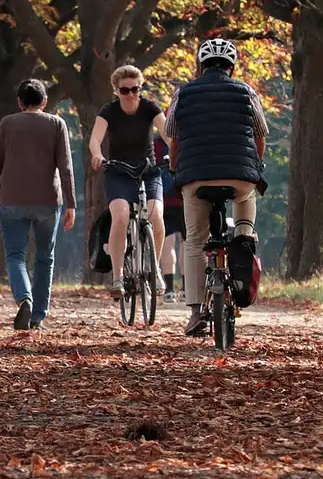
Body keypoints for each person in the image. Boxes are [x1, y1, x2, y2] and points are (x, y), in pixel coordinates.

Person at [162, 38, 269, 337]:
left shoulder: (182, 93)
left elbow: (173, 137)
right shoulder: (247, 92)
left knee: (195, 240)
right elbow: (260, 135)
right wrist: (255, 166)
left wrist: (175, 170)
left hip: (195, 177)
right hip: (239, 176)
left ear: (200, 65)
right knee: (246, 207)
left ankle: (195, 312)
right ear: (232, 67)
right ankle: (243, 239)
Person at [0, 78, 77, 330]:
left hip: (12, 200)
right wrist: (71, 204)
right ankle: (37, 316)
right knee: (45, 258)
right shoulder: (57, 124)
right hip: (47, 200)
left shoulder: (7, 123)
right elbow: (66, 167)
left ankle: (23, 297)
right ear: (45, 102)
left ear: (19, 102)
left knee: (15, 256)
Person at [89, 65, 167, 301]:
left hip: (148, 171)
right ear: (116, 90)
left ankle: (155, 270)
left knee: (156, 216)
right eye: (125, 90)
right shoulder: (109, 111)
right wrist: (97, 154)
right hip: (118, 172)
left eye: (136, 89)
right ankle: (118, 276)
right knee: (121, 216)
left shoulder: (150, 108)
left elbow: (167, 133)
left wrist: (176, 152)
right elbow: (95, 138)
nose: (131, 94)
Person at [154, 134, 185, 303]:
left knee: (168, 244)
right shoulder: (186, 139)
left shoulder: (156, 143)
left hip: (164, 200)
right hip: (185, 197)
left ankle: (170, 289)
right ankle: (187, 288)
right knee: (188, 244)